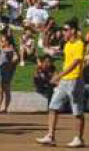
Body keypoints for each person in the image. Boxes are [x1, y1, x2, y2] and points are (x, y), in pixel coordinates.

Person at [36, 18, 86, 148]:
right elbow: (65, 61)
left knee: (77, 111)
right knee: (53, 107)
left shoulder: (79, 44)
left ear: (73, 31)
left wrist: (59, 75)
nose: (63, 32)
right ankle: (50, 136)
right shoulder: (68, 44)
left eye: (66, 30)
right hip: (65, 80)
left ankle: (78, 138)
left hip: (75, 80)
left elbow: (76, 63)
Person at [0, 33, 19, 114]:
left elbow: (16, 59)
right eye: (2, 40)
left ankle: (5, 108)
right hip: (0, 69)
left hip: (7, 71)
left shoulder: (12, 50)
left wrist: (10, 63)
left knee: (6, 89)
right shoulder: (0, 48)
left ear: (8, 41)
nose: (2, 42)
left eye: (4, 40)